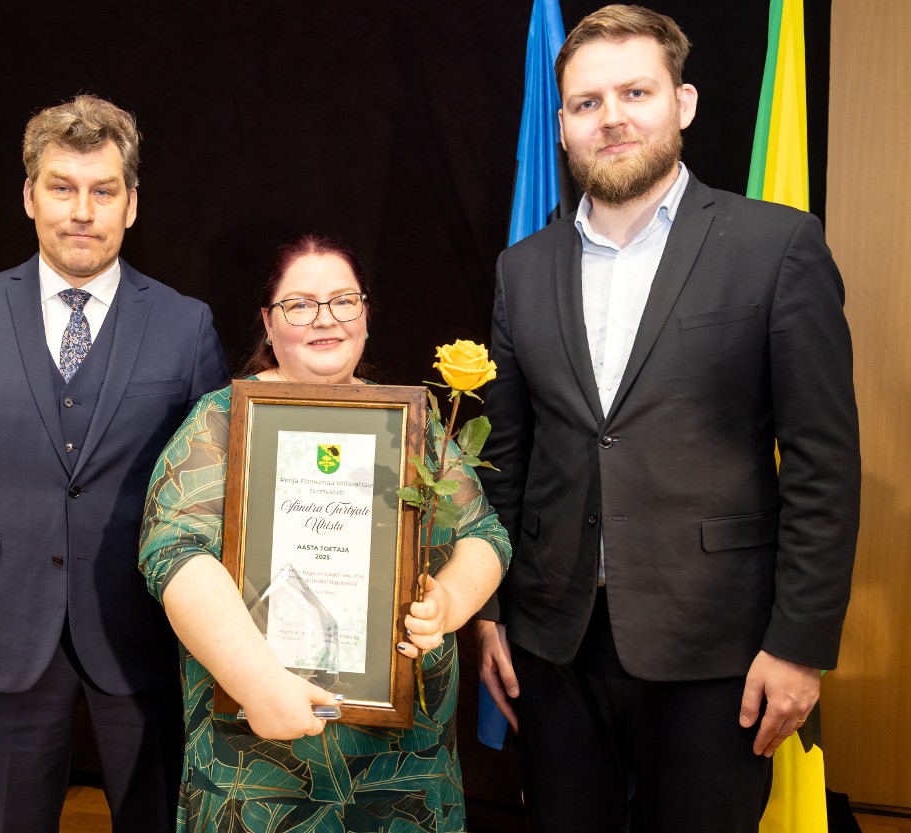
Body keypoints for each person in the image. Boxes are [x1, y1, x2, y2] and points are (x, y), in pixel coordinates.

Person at [474, 6, 861, 832]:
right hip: (553, 644)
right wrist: (489, 611)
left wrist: (800, 645)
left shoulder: (778, 246)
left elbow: (823, 466)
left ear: (682, 103)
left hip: (720, 654)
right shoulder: (521, 270)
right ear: (562, 126)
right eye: (587, 102)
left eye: (635, 92)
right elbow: (507, 459)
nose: (611, 117)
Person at [0, 94, 229, 833]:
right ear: (29, 196)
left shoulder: (185, 325)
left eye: (103, 191)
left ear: (131, 204)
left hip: (149, 643)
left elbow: (213, 502)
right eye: (62, 187)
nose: (82, 211)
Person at [138, 233, 512, 833]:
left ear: (365, 315)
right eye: (299, 304)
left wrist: (448, 603)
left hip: (403, 768)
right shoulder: (219, 423)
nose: (325, 318)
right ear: (267, 323)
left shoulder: (411, 424)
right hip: (259, 763)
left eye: (343, 300)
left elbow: (485, 535)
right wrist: (258, 681)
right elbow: (173, 555)